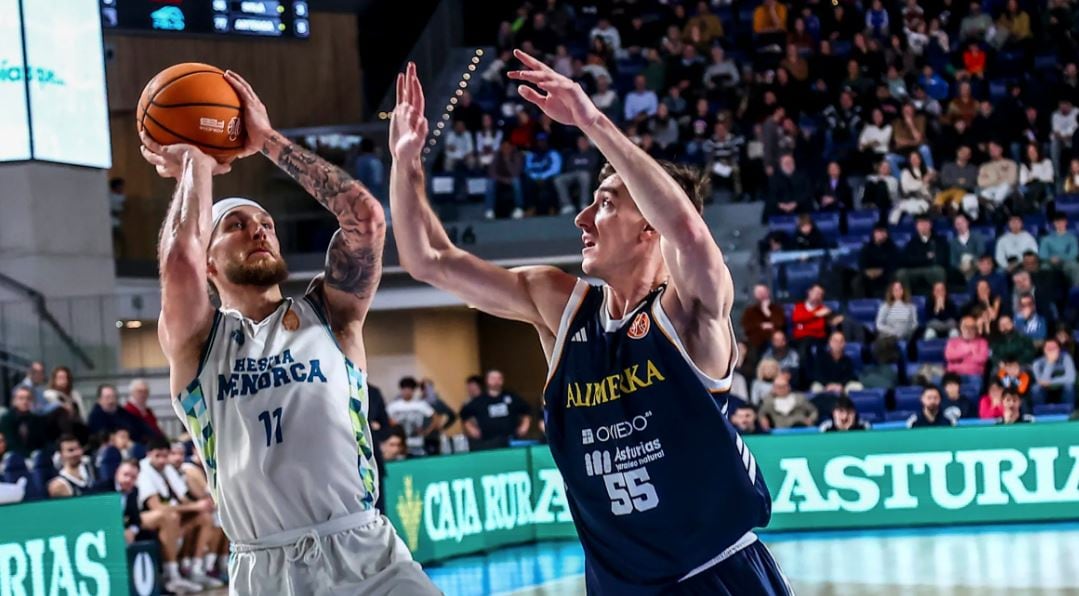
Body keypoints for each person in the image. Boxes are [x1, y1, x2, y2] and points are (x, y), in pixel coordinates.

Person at [389, 56, 791, 593]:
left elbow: (690, 235)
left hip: (716, 576)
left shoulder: (690, 312)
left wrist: (590, 120)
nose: (581, 219)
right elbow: (427, 260)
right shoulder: (561, 306)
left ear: (650, 226)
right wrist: (406, 163)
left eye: (603, 204)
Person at [139, 68, 437, 593]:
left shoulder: (331, 312)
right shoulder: (198, 343)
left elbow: (366, 219)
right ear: (210, 264)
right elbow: (178, 265)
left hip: (366, 553)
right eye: (235, 226)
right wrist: (197, 165)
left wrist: (266, 141)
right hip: (264, 570)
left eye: (267, 225)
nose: (259, 229)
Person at [138, 437, 221, 592]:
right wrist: (194, 506)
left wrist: (199, 506)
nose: (162, 460)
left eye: (165, 456)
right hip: (145, 516)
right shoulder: (143, 472)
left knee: (204, 517)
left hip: (172, 514)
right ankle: (173, 575)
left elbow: (183, 499)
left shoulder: (168, 469)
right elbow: (157, 507)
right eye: (158, 456)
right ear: (148, 454)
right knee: (171, 518)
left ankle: (196, 569)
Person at [459, 370, 531, 450]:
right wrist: (471, 429)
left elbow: (526, 410)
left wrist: (525, 425)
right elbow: (464, 415)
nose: (496, 381)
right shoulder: (479, 400)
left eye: (499, 378)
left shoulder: (511, 397)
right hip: (488, 442)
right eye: (493, 378)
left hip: (511, 440)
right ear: (487, 380)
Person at [386, 377, 439, 457]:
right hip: (400, 445)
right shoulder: (394, 406)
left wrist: (427, 431)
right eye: (405, 389)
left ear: (413, 390)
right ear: (401, 390)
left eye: (409, 389)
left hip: (417, 443)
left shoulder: (420, 404)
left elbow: (435, 417)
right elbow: (385, 419)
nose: (407, 392)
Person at [810, 332, 862, 396]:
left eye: (841, 341)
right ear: (830, 343)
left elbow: (849, 376)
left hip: (842, 386)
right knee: (816, 387)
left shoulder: (848, 360)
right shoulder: (821, 358)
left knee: (857, 386)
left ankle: (846, 405)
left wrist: (841, 385)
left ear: (844, 344)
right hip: (825, 385)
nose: (838, 344)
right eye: (835, 341)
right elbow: (818, 375)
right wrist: (827, 385)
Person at [0, 386, 46, 457]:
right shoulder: (7, 418)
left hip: (34, 458)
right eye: (21, 398)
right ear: (14, 401)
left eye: (28, 398)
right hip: (12, 458)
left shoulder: (36, 419)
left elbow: (42, 442)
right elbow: (10, 443)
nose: (25, 401)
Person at [857, 224, 899, 299]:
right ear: (874, 233)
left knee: (893, 277)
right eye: (878, 232)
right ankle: (862, 302)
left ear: (887, 234)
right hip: (869, 274)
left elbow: (894, 264)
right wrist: (867, 272)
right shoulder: (867, 248)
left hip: (886, 274)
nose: (881, 234)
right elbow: (862, 264)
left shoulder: (892, 247)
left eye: (883, 232)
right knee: (857, 281)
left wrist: (881, 271)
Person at [741, 284, 785, 352]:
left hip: (773, 337)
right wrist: (761, 326)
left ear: (768, 293)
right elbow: (747, 326)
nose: (762, 295)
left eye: (763, 293)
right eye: (759, 293)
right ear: (755, 295)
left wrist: (767, 312)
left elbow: (780, 323)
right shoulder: (750, 311)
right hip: (756, 339)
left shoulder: (777, 309)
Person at [1032, 338, 1077, 405]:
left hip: (1062, 389)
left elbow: (1071, 378)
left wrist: (1051, 382)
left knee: (1069, 386)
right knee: (1035, 388)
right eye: (1049, 349)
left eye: (1054, 348)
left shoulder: (1066, 358)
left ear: (1059, 349)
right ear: (1044, 350)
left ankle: (1069, 412)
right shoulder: (1037, 363)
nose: (1052, 351)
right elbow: (1041, 382)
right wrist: (1050, 362)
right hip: (1046, 392)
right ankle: (1041, 413)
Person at [1040, 213, 1079, 286]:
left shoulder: (1072, 238)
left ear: (1066, 222)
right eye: (1057, 221)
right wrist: (1050, 259)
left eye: (1062, 221)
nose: (1059, 224)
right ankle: (1046, 292)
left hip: (1067, 262)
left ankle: (1076, 290)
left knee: (1075, 266)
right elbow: (1042, 254)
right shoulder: (1046, 239)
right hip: (1050, 262)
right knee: (1044, 267)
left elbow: (1073, 254)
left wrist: (1060, 258)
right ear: (1054, 223)